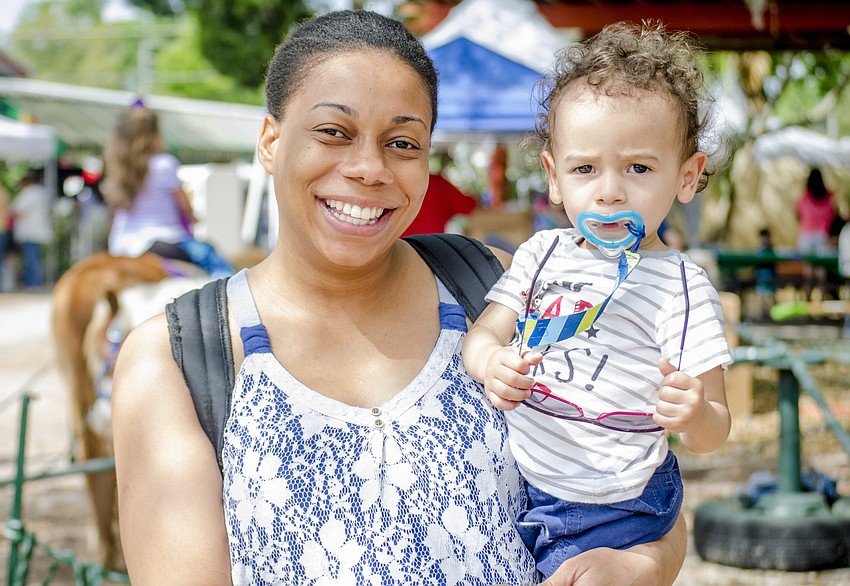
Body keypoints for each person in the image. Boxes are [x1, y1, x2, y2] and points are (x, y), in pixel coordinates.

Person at [112, 11, 687, 585]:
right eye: (333, 132)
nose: (368, 168)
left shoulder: (499, 293)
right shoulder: (176, 360)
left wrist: (642, 563)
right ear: (270, 140)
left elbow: (635, 481)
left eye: (402, 143)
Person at [462, 22, 732, 580]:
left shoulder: (681, 285)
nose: (610, 190)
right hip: (530, 494)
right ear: (554, 177)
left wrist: (695, 415)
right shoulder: (540, 254)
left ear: (687, 176)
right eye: (585, 168)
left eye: (638, 167)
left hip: (624, 506)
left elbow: (716, 427)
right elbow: (482, 336)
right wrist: (493, 364)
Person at [101, 102, 233, 278]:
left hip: (121, 246)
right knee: (220, 269)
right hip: (163, 241)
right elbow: (184, 208)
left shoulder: (115, 169)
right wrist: (194, 217)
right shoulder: (164, 164)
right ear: (153, 135)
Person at [796, 168, 835, 299]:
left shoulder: (804, 197)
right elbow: (832, 217)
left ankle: (807, 300)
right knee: (821, 271)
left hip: (806, 236)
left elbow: (798, 215)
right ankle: (821, 301)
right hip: (823, 237)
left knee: (808, 271)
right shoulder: (829, 197)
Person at [11, 169, 54, 289]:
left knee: (31, 259)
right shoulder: (41, 193)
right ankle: (34, 282)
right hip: (36, 231)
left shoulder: (30, 193)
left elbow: (18, 211)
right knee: (34, 257)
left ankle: (33, 283)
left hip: (30, 231)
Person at [401, 172, 477, 236]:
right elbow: (476, 212)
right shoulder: (439, 185)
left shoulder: (438, 185)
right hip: (428, 250)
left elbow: (472, 209)